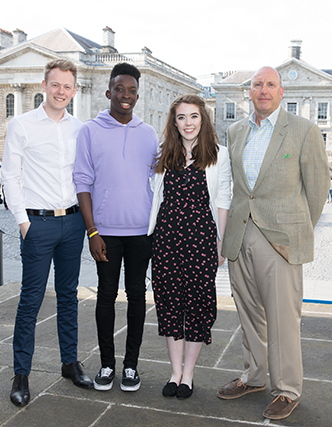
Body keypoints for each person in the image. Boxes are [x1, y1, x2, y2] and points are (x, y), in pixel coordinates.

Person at [216, 66, 329, 420]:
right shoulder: (235, 132)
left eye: (270, 84)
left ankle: (288, 389)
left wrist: (295, 229)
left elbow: (317, 190)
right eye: (257, 85)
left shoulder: (303, 131)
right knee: (249, 313)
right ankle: (253, 376)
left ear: (281, 92)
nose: (263, 90)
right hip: (241, 233)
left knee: (283, 318)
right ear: (248, 92)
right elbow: (234, 186)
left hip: (280, 240)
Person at [1, 59, 89, 407]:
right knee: (31, 300)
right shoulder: (21, 125)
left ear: (74, 90)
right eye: (56, 85)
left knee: (68, 296)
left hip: (72, 223)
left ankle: (70, 363)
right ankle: (21, 373)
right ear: (44, 85)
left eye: (68, 87)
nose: (61, 92)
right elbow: (11, 176)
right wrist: (23, 222)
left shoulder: (79, 128)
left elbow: (85, 175)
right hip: (37, 224)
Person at [74, 63, 158, 393]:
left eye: (132, 90)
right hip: (105, 233)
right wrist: (92, 231)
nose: (126, 96)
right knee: (106, 296)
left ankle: (131, 366)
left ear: (138, 95)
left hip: (141, 232)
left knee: (137, 296)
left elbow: (160, 178)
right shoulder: (89, 131)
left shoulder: (149, 133)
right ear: (109, 92)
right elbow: (81, 181)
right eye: (119, 89)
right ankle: (107, 364)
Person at [148, 95, 231, 400]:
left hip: (201, 240)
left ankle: (189, 375)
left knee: (197, 306)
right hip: (167, 240)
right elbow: (156, 199)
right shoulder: (165, 155)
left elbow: (223, 199)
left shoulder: (219, 155)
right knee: (170, 306)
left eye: (193, 116)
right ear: (174, 122)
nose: (188, 123)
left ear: (203, 120)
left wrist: (221, 240)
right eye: (181, 117)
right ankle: (174, 372)